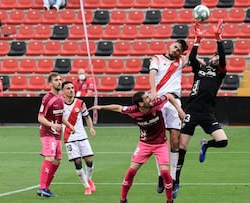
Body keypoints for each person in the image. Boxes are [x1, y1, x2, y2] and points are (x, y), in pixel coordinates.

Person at [89, 92, 185, 203]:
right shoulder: (133, 110)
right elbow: (118, 108)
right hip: (144, 144)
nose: (150, 98)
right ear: (140, 103)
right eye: (147, 98)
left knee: (165, 174)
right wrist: (101, 107)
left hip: (160, 144)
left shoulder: (156, 104)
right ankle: (123, 199)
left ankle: (169, 200)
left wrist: (179, 110)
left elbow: (168, 96)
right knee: (130, 172)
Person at [174, 19, 228, 199]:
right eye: (214, 56)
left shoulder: (220, 73)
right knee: (181, 148)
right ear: (210, 58)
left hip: (207, 113)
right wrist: (197, 39)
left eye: (218, 58)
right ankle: (176, 181)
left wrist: (218, 37)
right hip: (191, 111)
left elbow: (222, 55)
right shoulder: (200, 69)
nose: (217, 58)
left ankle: (205, 144)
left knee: (223, 141)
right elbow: (192, 58)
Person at [148, 39, 188, 193]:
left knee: (175, 139)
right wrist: (152, 91)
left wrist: (198, 38)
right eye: (175, 46)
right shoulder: (157, 58)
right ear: (171, 45)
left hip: (175, 101)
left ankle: (172, 176)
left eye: (179, 50)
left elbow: (193, 56)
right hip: (158, 100)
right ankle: (160, 174)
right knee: (158, 140)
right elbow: (152, 74)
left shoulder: (181, 61)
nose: (176, 50)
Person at [37, 72, 75, 197]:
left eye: (60, 79)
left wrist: (69, 126)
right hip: (47, 133)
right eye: (56, 80)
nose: (59, 82)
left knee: (57, 161)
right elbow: (40, 117)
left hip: (57, 134)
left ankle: (46, 188)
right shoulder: (47, 98)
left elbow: (60, 116)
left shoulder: (60, 99)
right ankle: (42, 188)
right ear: (50, 83)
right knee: (50, 158)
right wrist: (52, 125)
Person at [62, 81, 97, 195]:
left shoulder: (80, 103)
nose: (71, 90)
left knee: (89, 160)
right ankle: (86, 186)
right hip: (69, 137)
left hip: (82, 136)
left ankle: (89, 178)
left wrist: (91, 128)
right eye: (68, 88)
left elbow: (87, 117)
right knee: (77, 162)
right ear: (63, 91)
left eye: (72, 88)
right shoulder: (60, 104)